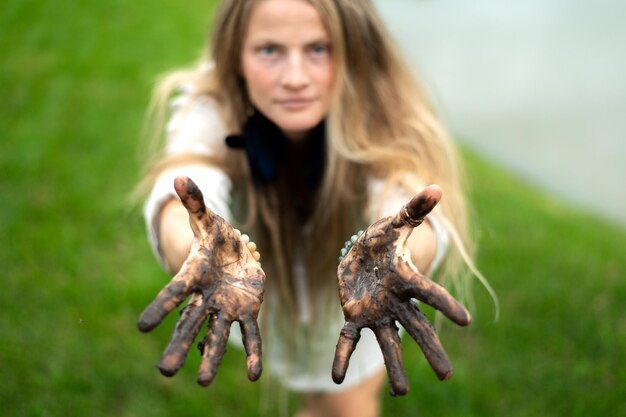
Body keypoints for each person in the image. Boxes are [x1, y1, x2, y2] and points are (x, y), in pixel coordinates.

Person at [136, 1, 487, 416]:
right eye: (269, 50)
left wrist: (398, 259)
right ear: (235, 57)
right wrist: (193, 249)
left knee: (348, 404)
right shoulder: (215, 103)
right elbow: (185, 179)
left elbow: (405, 200)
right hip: (261, 287)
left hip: (357, 289)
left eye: (319, 48)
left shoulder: (382, 109)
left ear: (354, 49)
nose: (295, 78)